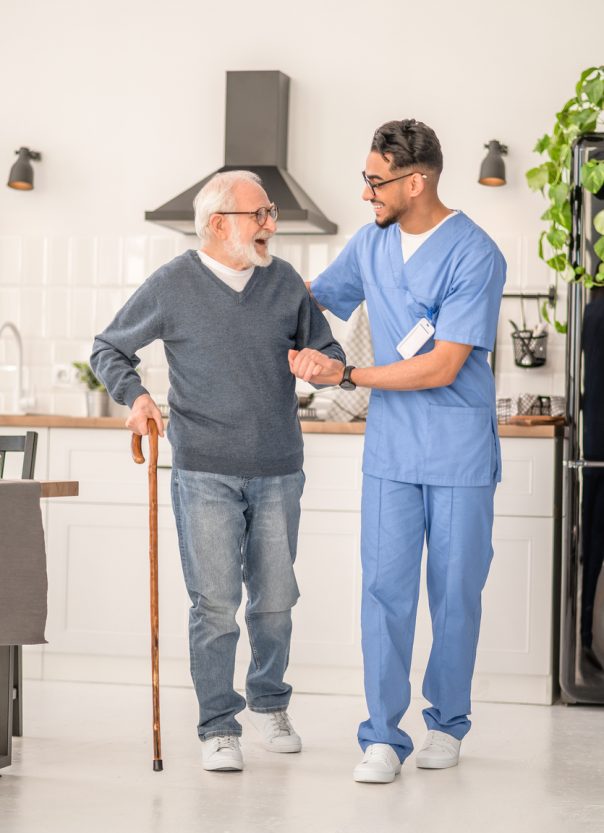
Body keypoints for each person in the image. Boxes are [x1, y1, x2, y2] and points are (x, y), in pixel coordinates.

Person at [91, 170, 345, 773]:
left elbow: (330, 353)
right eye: (259, 215)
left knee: (275, 601)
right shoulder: (173, 283)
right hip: (203, 470)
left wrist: (321, 364)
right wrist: (137, 397)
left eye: (270, 213)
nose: (269, 225)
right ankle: (218, 726)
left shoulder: (284, 281)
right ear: (217, 224)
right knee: (215, 605)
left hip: (278, 467)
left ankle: (270, 703)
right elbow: (108, 348)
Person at [289, 119, 506, 783]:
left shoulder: (476, 253)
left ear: (416, 182)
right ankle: (382, 735)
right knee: (384, 591)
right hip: (391, 450)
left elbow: (442, 365)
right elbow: (311, 303)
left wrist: (346, 374)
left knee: (455, 592)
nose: (366, 193)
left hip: (458, 449)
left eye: (375, 181)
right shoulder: (370, 244)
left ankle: (447, 723)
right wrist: (247, 292)